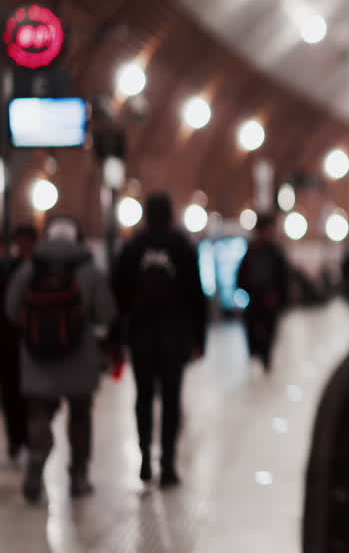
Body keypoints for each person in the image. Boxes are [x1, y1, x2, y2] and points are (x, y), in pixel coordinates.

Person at [6, 216, 116, 503]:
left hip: (37, 357)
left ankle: (38, 457)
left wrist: (34, 330)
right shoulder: (89, 270)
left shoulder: (30, 268)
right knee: (80, 417)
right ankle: (78, 477)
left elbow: (10, 308)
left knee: (40, 414)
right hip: (79, 357)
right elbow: (106, 312)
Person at [113, 193, 207, 487]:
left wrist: (119, 337)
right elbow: (196, 296)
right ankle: (167, 465)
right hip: (175, 335)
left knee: (143, 397)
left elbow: (119, 295)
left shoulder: (132, 247)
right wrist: (199, 339)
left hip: (141, 335)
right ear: (170, 215)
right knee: (171, 400)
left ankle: (144, 459)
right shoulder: (182, 247)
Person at [0, 224, 38, 464]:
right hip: (10, 341)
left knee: (31, 394)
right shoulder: (9, 268)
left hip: (32, 341)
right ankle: (17, 439)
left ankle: (28, 438)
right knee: (12, 392)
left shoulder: (38, 268)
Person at [236, 213, 290, 371]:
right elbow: (241, 274)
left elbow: (282, 277)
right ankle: (255, 352)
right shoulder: (252, 249)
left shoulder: (275, 251)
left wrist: (281, 298)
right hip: (254, 298)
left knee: (269, 330)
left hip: (270, 299)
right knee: (252, 327)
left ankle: (265, 356)